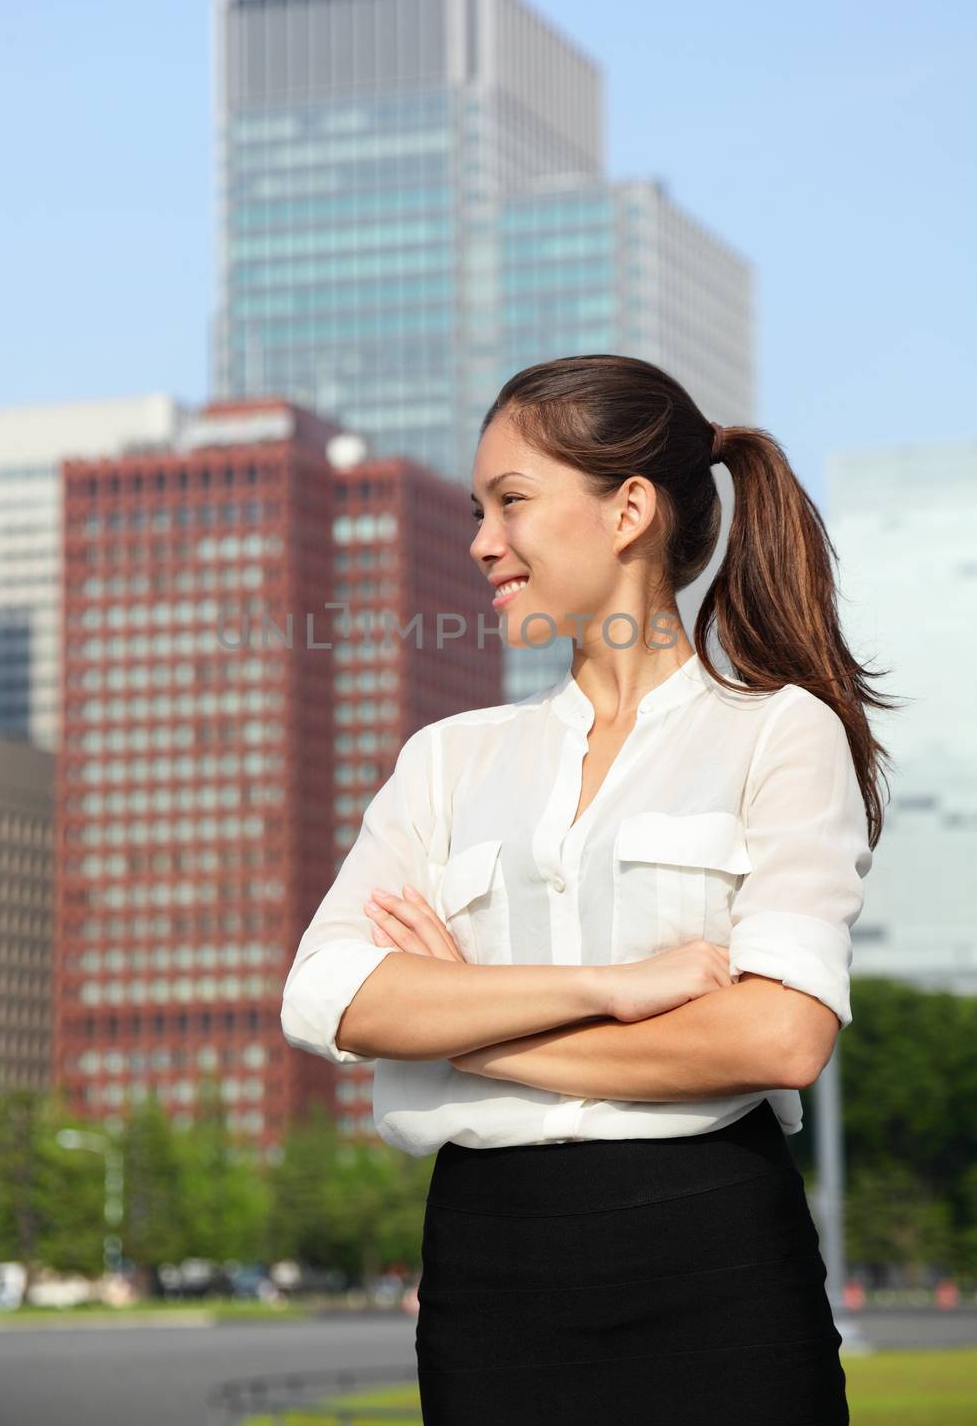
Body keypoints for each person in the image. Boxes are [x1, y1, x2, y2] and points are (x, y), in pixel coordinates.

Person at [280, 353, 901, 1425]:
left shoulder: (775, 732)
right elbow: (329, 997)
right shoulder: (446, 759)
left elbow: (778, 1037)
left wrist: (464, 1029)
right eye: (479, 510)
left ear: (627, 510)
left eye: (509, 502)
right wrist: (615, 985)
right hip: (487, 1275)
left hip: (714, 1254)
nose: (480, 541)